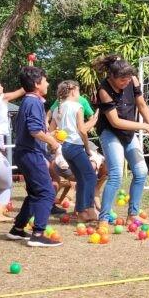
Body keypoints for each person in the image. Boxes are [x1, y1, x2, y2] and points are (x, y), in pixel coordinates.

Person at [94, 55, 149, 225]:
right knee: (116, 175)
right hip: (110, 132)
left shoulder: (132, 80)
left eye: (127, 79)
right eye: (122, 80)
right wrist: (144, 127)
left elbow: (142, 105)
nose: (126, 83)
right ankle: (102, 219)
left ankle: (133, 214)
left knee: (141, 172)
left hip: (128, 133)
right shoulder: (103, 90)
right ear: (112, 77)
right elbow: (115, 122)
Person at [5, 66, 64, 247]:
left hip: (26, 153)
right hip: (31, 154)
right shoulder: (34, 102)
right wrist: (53, 143)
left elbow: (36, 131)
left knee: (34, 194)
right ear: (37, 84)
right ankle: (38, 234)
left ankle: (18, 229)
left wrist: (50, 136)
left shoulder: (30, 101)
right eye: (45, 80)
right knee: (47, 192)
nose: (48, 83)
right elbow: (34, 131)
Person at [52, 80, 99, 222]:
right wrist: (94, 120)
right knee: (90, 177)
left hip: (65, 148)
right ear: (73, 91)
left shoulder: (57, 109)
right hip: (75, 146)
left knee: (82, 179)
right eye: (78, 91)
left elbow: (51, 130)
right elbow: (82, 130)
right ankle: (84, 210)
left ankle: (84, 212)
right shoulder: (77, 106)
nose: (79, 95)